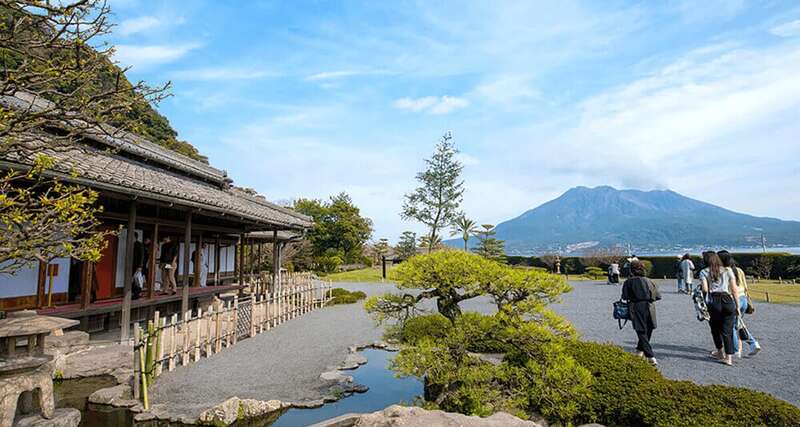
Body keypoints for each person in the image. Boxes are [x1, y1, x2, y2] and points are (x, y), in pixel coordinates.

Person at [699, 251, 740, 366]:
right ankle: (729, 357)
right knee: (727, 331)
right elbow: (734, 289)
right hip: (727, 300)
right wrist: (737, 305)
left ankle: (720, 352)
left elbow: (705, 289)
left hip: (714, 301)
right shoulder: (728, 270)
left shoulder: (704, 272)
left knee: (715, 328)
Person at [718, 251, 761, 357]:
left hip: (732, 300)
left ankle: (736, 349)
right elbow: (745, 287)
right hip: (743, 299)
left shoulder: (724, 272)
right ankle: (753, 343)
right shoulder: (739, 270)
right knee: (738, 324)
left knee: (730, 326)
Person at [621, 260, 662, 365]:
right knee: (649, 329)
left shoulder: (629, 282)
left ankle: (650, 356)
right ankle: (640, 351)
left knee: (641, 331)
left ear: (631, 270)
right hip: (650, 306)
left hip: (636, 306)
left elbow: (624, 296)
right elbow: (658, 296)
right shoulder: (650, 281)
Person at [131, 232, 145, 299]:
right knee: (133, 279)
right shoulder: (132, 244)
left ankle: (137, 293)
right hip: (132, 264)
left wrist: (140, 266)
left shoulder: (139, 245)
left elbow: (142, 256)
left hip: (137, 265)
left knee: (137, 279)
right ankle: (134, 293)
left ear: (135, 237)